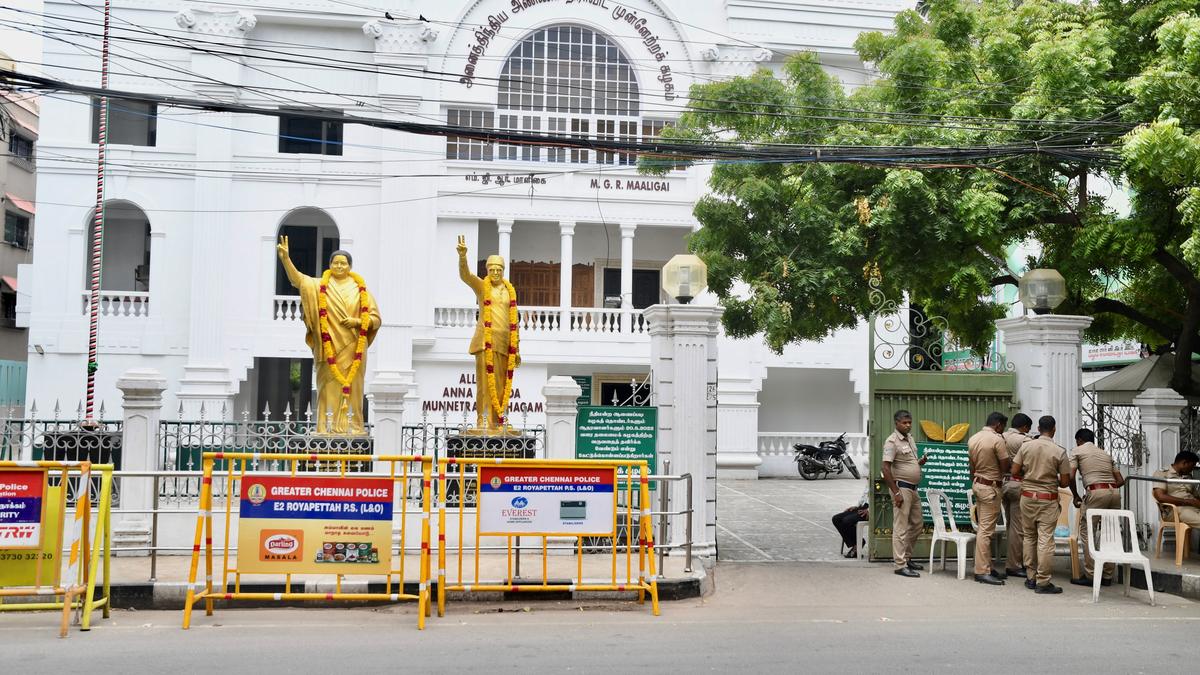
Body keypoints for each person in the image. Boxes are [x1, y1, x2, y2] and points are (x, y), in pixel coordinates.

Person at [277, 237, 381, 434]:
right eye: (335, 262)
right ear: (329, 265)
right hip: (328, 347)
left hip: (353, 347)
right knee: (327, 387)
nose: (339, 266)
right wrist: (286, 259)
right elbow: (297, 280)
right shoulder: (318, 286)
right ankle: (326, 427)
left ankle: (353, 427)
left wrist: (357, 322)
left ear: (350, 266)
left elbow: (376, 319)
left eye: (343, 263)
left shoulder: (361, 292)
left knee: (353, 387)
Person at [457, 236, 521, 432]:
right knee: (486, 385)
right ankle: (483, 420)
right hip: (486, 342)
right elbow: (466, 276)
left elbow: (515, 322)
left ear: (503, 271)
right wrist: (462, 257)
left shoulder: (510, 292)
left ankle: (501, 419)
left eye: (498, 270)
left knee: (503, 386)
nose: (495, 273)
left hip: (505, 344)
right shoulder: (482, 288)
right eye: (491, 269)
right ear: (487, 271)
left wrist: (516, 349)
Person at [1011, 415, 1070, 594]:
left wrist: (1029, 477)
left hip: (1027, 497)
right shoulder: (1059, 451)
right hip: (1048, 499)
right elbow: (1066, 482)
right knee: (1045, 539)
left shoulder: (1026, 446)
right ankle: (1043, 581)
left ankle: (1031, 577)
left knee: (1029, 537)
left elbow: (1014, 471)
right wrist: (1051, 478)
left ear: (1038, 427)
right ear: (1054, 429)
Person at [1069, 428, 1124, 587]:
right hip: (1114, 492)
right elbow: (1120, 480)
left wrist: (1076, 495)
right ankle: (1107, 575)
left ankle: (1092, 575)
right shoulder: (1104, 453)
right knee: (1110, 532)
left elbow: (1071, 476)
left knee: (1087, 533)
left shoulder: (1077, 451)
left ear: (1079, 440)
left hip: (1095, 492)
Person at [882, 409, 928, 578]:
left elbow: (909, 462)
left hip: (913, 489)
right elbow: (885, 468)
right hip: (901, 488)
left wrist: (919, 463)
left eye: (909, 422)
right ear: (897, 423)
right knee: (901, 527)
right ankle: (900, 565)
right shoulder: (892, 441)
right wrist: (896, 492)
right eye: (904, 422)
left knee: (917, 524)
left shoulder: (910, 439)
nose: (908, 425)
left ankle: (907, 558)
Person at [968, 412, 1010, 585]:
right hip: (991, 487)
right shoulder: (997, 440)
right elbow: (1005, 464)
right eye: (1003, 427)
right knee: (986, 530)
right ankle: (982, 571)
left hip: (978, 484)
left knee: (984, 529)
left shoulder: (973, 438)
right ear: (998, 425)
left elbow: (971, 466)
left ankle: (987, 566)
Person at [1001, 413, 1034, 577]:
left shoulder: (1001, 436)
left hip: (1003, 483)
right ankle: (1013, 565)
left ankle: (1012, 561)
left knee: (1010, 525)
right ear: (1025, 427)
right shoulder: (1024, 440)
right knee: (1018, 528)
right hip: (1018, 483)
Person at [1152, 450, 1200, 530]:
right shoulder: (1163, 473)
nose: (1191, 470)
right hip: (1174, 510)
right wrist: (1187, 502)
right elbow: (1160, 496)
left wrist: (1195, 502)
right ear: (1184, 463)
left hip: (1193, 508)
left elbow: (1196, 497)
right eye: (1191, 466)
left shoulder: (1188, 477)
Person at [833, 485, 869, 558]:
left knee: (847, 521)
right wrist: (856, 506)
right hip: (861, 508)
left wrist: (869, 511)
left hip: (869, 511)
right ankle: (857, 543)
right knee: (836, 519)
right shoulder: (869, 482)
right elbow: (864, 496)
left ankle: (857, 545)